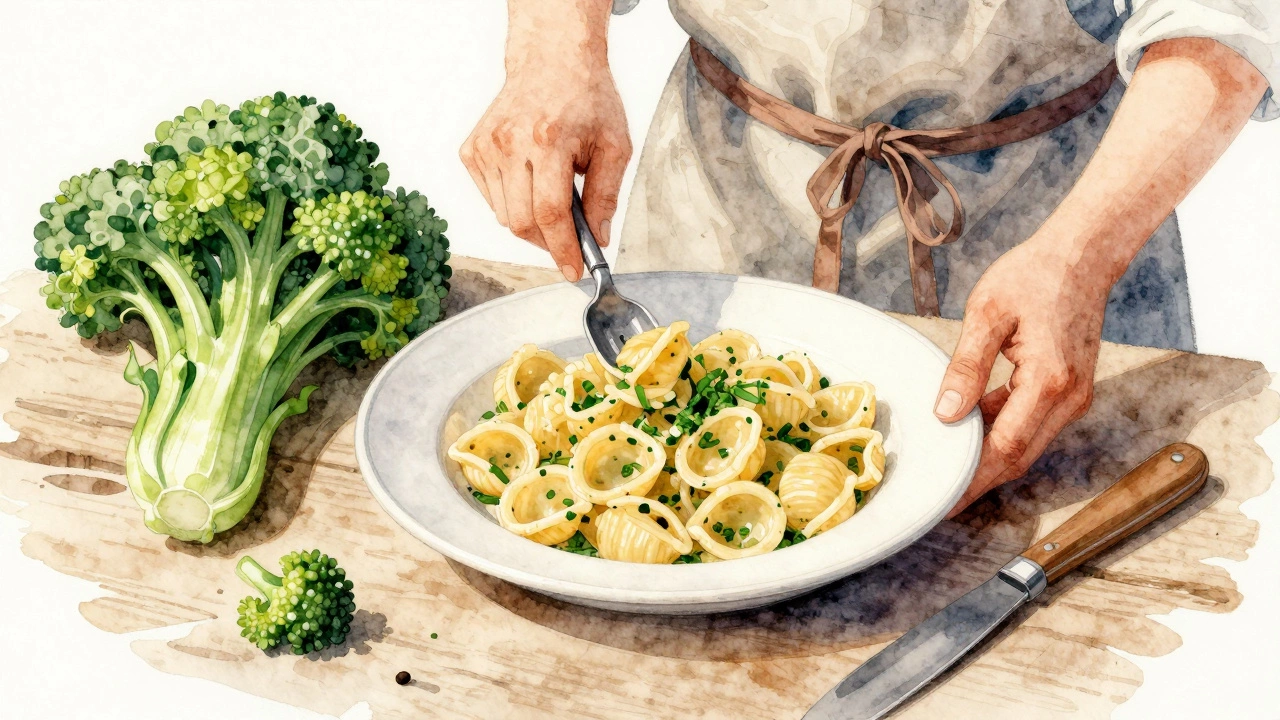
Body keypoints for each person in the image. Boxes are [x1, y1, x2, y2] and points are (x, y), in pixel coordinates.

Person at [460, 0, 1274, 514]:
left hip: (1053, 220)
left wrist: (1079, 258)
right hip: (724, 198)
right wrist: (553, 50)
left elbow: (1226, 16)